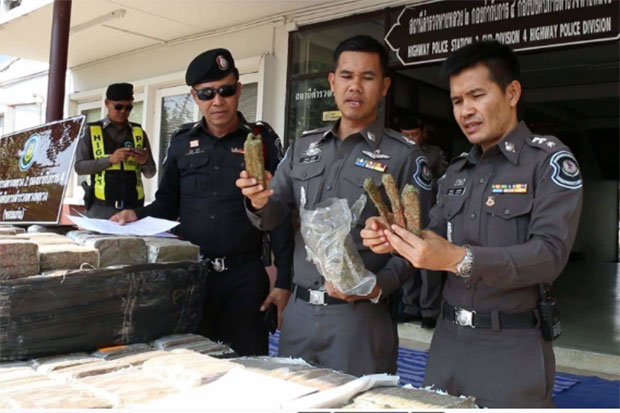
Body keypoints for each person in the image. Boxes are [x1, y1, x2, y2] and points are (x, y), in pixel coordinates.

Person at [361, 41, 583, 407]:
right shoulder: (457, 171)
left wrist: (459, 259)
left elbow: (550, 255)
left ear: (511, 93)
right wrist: (393, 236)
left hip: (511, 347)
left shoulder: (547, 161)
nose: (465, 111)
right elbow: (429, 235)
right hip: (447, 343)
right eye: (457, 101)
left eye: (476, 95)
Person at [236, 35, 433, 376]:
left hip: (359, 320)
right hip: (298, 317)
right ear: (332, 81)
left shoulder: (404, 157)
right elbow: (273, 216)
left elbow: (420, 244)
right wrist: (256, 201)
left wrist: (378, 285)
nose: (355, 86)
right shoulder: (303, 147)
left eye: (367, 77)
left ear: (384, 86)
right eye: (346, 76)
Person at [110, 48, 294, 357]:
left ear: (238, 89)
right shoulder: (181, 142)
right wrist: (134, 216)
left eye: (226, 90)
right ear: (195, 97)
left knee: (249, 367)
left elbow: (280, 212)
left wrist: (285, 281)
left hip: (245, 279)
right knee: (193, 363)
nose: (217, 101)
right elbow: (166, 205)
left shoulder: (260, 140)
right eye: (206, 93)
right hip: (192, 278)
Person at [74, 83, 156, 219]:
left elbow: (151, 173)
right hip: (101, 209)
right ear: (107, 103)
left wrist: (144, 161)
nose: (123, 111)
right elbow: (80, 167)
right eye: (118, 107)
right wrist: (110, 160)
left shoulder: (138, 132)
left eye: (128, 107)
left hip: (133, 209)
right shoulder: (91, 131)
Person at [396, 116, 447, 327]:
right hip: (405, 216)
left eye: (414, 134)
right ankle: (410, 307)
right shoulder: (397, 153)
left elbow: (446, 183)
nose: (410, 138)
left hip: (429, 214)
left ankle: (429, 310)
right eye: (405, 135)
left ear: (423, 133)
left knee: (429, 268)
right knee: (406, 261)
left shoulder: (434, 154)